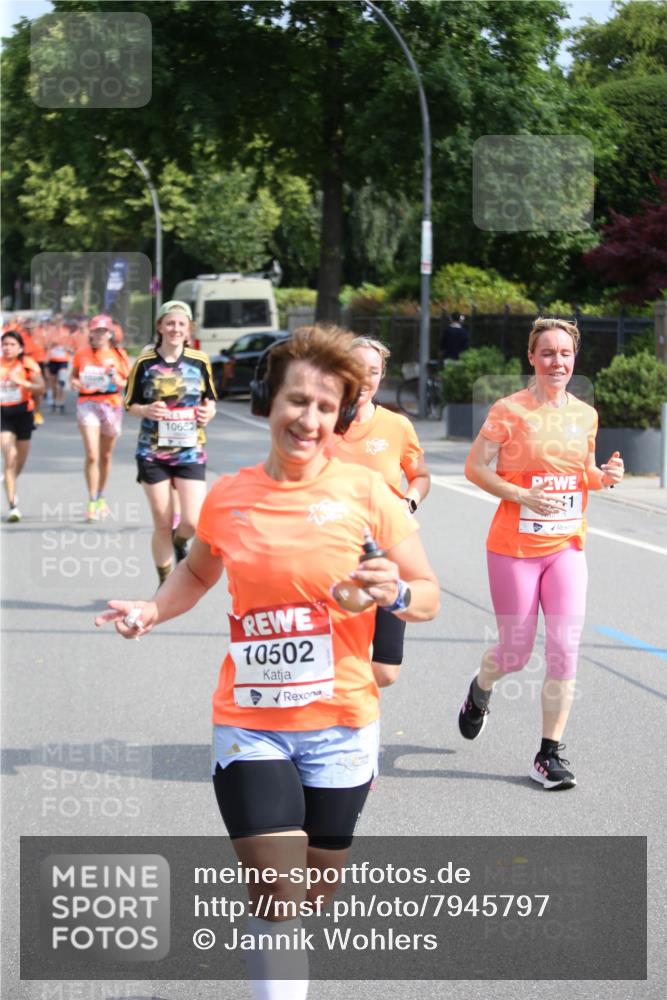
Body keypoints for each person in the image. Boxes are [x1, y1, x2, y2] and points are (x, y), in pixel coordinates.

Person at [97, 324, 440, 1000]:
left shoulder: (367, 493)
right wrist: (152, 609)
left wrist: (395, 593)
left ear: (339, 415)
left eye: (324, 406)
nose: (308, 419)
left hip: (341, 724)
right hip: (250, 722)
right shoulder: (230, 495)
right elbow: (197, 573)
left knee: (314, 887)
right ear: (268, 402)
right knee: (278, 890)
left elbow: (426, 593)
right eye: (297, 401)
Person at [458, 317, 624, 789]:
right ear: (531, 357)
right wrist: (520, 494)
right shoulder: (509, 410)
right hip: (514, 549)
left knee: (565, 649)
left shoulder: (585, 414)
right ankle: (480, 688)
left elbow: (584, 472)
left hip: (567, 545)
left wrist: (605, 476)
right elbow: (475, 468)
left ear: (574, 359)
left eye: (565, 353)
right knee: (514, 653)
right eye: (547, 353)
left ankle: (548, 755)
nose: (557, 362)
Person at [328, 335, 431, 687]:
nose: (364, 378)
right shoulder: (322, 422)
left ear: (382, 375)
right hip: (334, 550)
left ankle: (347, 698)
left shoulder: (397, 426)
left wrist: (408, 502)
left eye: (373, 371)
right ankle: (344, 711)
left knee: (385, 671)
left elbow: (420, 476)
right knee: (345, 651)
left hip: (387, 549)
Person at [124, 300, 216, 583]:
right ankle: (165, 584)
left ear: (189, 329)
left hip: (190, 450)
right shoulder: (145, 362)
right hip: (152, 452)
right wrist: (146, 410)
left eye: (181, 324)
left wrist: (208, 413)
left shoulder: (200, 361)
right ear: (160, 327)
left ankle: (180, 541)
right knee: (162, 523)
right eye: (170, 323)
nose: (175, 329)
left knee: (193, 521)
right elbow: (129, 403)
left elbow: (211, 400)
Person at [70, 314, 131, 521]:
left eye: (103, 331)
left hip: (111, 404)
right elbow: (74, 376)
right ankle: (92, 499)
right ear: (91, 332)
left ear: (110, 333)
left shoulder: (119, 354)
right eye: (96, 330)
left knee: (105, 456)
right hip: (87, 403)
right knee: (92, 455)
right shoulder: (81, 354)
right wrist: (75, 383)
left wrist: (119, 381)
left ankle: (101, 494)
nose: (99, 334)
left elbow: (128, 382)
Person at [1, 330, 44, 521]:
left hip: (24, 413)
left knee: (20, 462)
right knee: (10, 455)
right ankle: (13, 506)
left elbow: (41, 388)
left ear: (20, 348)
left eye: (12, 345)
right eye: (5, 344)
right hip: (3, 414)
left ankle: (8, 481)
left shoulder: (27, 364)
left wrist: (22, 383)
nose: (7, 348)